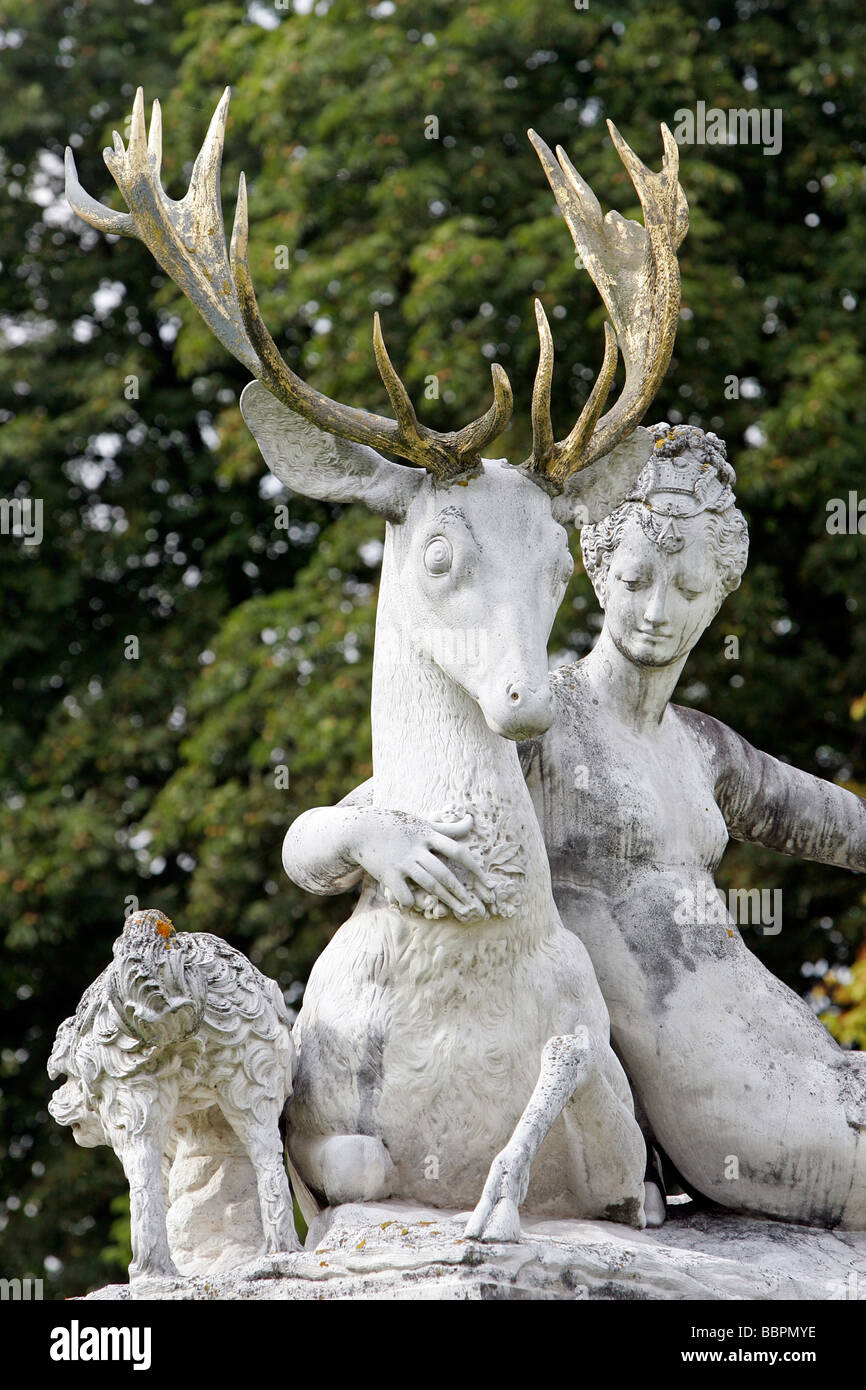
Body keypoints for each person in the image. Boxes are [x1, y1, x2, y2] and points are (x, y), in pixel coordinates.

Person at [284, 423, 866, 1228]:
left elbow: (843, 826)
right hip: (705, 1092)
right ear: (595, 571)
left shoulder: (706, 750)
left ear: (721, 594)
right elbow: (320, 844)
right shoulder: (541, 724)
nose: (659, 611)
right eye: (636, 578)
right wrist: (364, 838)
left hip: (786, 1036)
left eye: (691, 588)